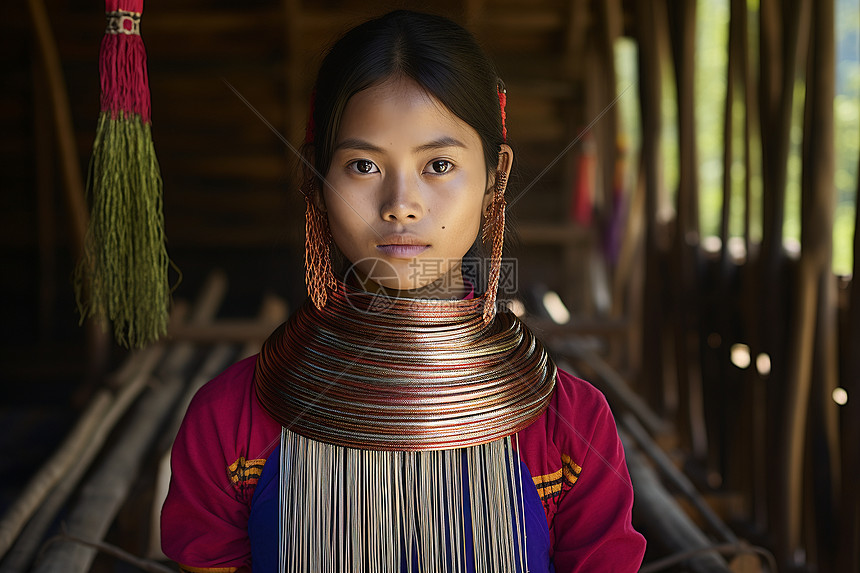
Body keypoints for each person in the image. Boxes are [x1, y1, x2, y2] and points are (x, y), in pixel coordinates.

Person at [161, 10, 646, 573]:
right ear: (315, 182)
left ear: (496, 176)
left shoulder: (567, 425)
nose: (400, 203)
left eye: (438, 164)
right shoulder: (231, 421)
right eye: (363, 165)